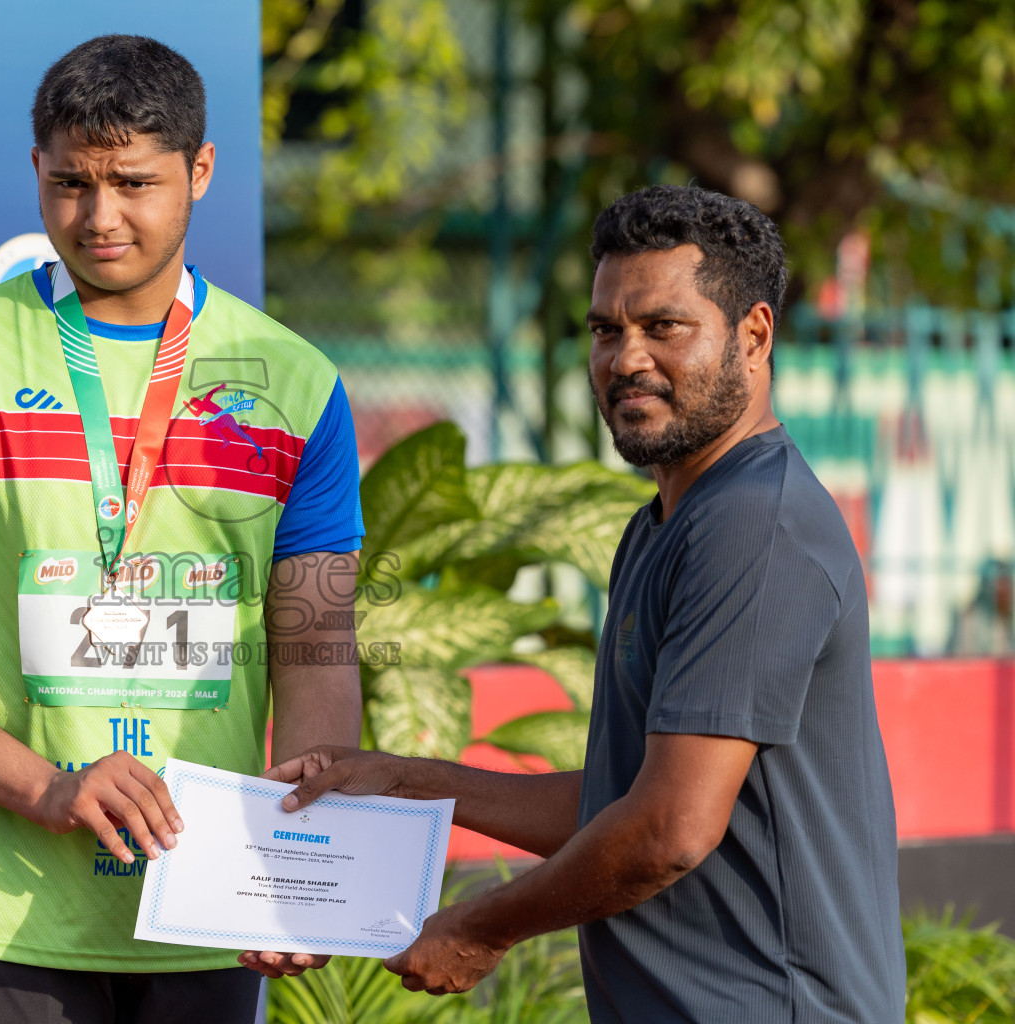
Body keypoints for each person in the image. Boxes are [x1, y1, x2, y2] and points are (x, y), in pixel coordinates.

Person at [252, 185, 906, 1023]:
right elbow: (622, 800)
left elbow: (669, 828)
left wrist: (483, 928)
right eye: (605, 330)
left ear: (754, 335)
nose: (626, 358)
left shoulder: (755, 524)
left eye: (663, 326)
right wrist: (406, 781)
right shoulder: (668, 522)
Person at [0, 34, 364, 1024]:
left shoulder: (296, 384)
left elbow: (316, 646)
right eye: (71, 183)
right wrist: (44, 788)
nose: (100, 216)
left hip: (206, 899)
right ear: (36, 171)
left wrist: (297, 860)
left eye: (133, 182)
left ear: (201, 171)